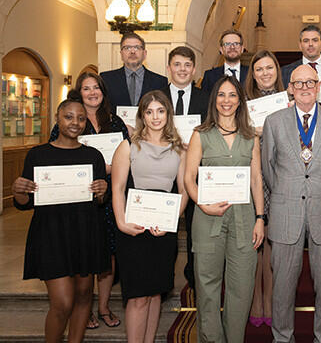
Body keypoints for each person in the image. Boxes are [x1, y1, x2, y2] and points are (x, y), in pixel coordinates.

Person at [262, 64, 321, 343]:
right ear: (289, 87)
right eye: (298, 83)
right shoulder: (274, 122)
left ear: (318, 86)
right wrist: (288, 193)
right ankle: (282, 337)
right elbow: (268, 169)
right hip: (285, 211)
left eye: (310, 82)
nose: (304, 88)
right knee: (283, 287)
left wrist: (320, 193)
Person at [12, 96, 109, 343]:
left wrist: (101, 192)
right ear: (58, 118)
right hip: (51, 235)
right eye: (69, 117)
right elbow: (25, 204)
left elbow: (99, 203)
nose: (75, 123)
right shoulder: (37, 154)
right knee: (63, 302)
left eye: (80, 118)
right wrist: (18, 190)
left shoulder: (93, 156)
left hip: (85, 233)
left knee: (85, 294)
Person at [184, 75, 265, 343]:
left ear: (240, 100)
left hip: (244, 219)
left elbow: (256, 179)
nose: (226, 101)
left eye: (232, 95)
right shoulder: (200, 134)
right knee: (207, 287)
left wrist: (260, 218)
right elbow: (188, 178)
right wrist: (202, 204)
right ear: (213, 100)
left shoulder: (250, 135)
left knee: (241, 288)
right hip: (207, 219)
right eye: (221, 95)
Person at [49, 73, 128, 329]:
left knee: (107, 254)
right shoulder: (69, 119)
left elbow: (128, 154)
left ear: (103, 91)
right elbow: (54, 155)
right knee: (81, 252)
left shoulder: (115, 122)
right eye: (86, 88)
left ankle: (103, 307)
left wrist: (111, 168)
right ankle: (84, 307)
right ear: (78, 92)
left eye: (96, 87)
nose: (92, 92)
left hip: (108, 197)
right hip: (76, 200)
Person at [111, 90, 188, 342]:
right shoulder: (128, 146)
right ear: (142, 115)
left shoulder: (180, 149)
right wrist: (122, 223)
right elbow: (118, 189)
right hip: (134, 228)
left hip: (163, 230)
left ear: (168, 113)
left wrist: (171, 221)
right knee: (138, 296)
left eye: (161, 111)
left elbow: (185, 191)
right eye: (149, 111)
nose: (155, 117)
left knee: (155, 294)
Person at [160, 45, 210, 290]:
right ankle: (163, 277)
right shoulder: (156, 97)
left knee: (195, 228)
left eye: (187, 65)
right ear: (169, 68)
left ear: (194, 69)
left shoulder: (206, 98)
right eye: (177, 64)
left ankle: (193, 277)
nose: (182, 69)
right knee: (164, 227)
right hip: (163, 172)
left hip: (196, 172)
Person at [244, 50, 285, 328]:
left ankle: (269, 300)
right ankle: (255, 300)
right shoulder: (242, 102)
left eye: (269, 68)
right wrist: (254, 131)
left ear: (276, 71)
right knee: (253, 244)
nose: (265, 73)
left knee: (272, 245)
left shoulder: (288, 100)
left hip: (280, 177)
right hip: (250, 178)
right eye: (259, 69)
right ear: (253, 73)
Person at [281, 24, 321, 110]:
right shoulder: (286, 72)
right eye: (306, 41)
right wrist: (287, 95)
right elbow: (279, 105)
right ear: (300, 45)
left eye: (315, 40)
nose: (310, 44)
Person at [100, 32, 167, 111]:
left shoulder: (160, 82)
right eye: (127, 48)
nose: (132, 52)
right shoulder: (106, 79)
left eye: (137, 47)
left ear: (145, 54)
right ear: (121, 54)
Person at [202, 29, 249, 93]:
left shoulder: (251, 73)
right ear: (221, 50)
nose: (232, 47)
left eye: (236, 43)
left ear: (242, 49)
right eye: (227, 44)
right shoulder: (210, 76)